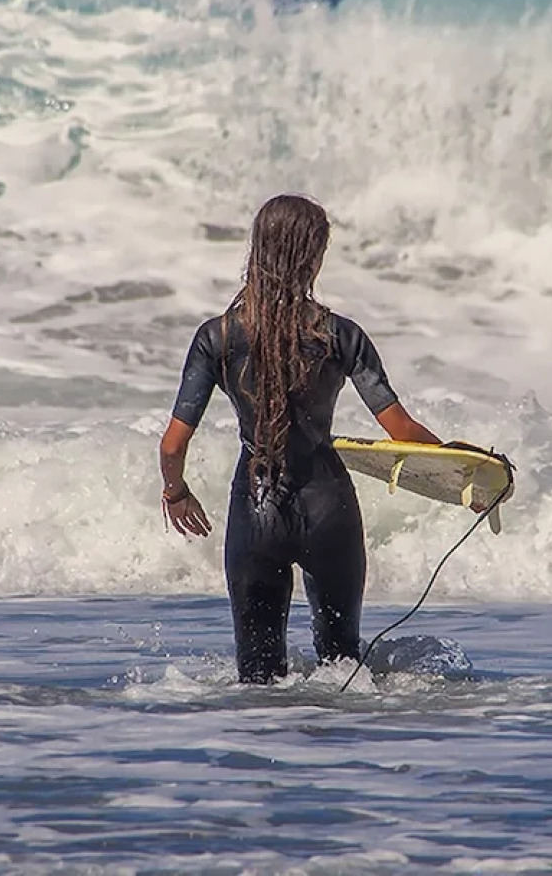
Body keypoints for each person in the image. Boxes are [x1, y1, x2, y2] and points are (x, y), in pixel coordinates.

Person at [158, 194, 443, 684]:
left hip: (256, 511)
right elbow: (401, 431)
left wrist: (176, 491)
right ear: (312, 257)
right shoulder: (341, 335)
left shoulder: (216, 337)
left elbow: (172, 445)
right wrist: (463, 466)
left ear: (257, 250)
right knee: (343, 670)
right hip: (331, 510)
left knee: (258, 680)